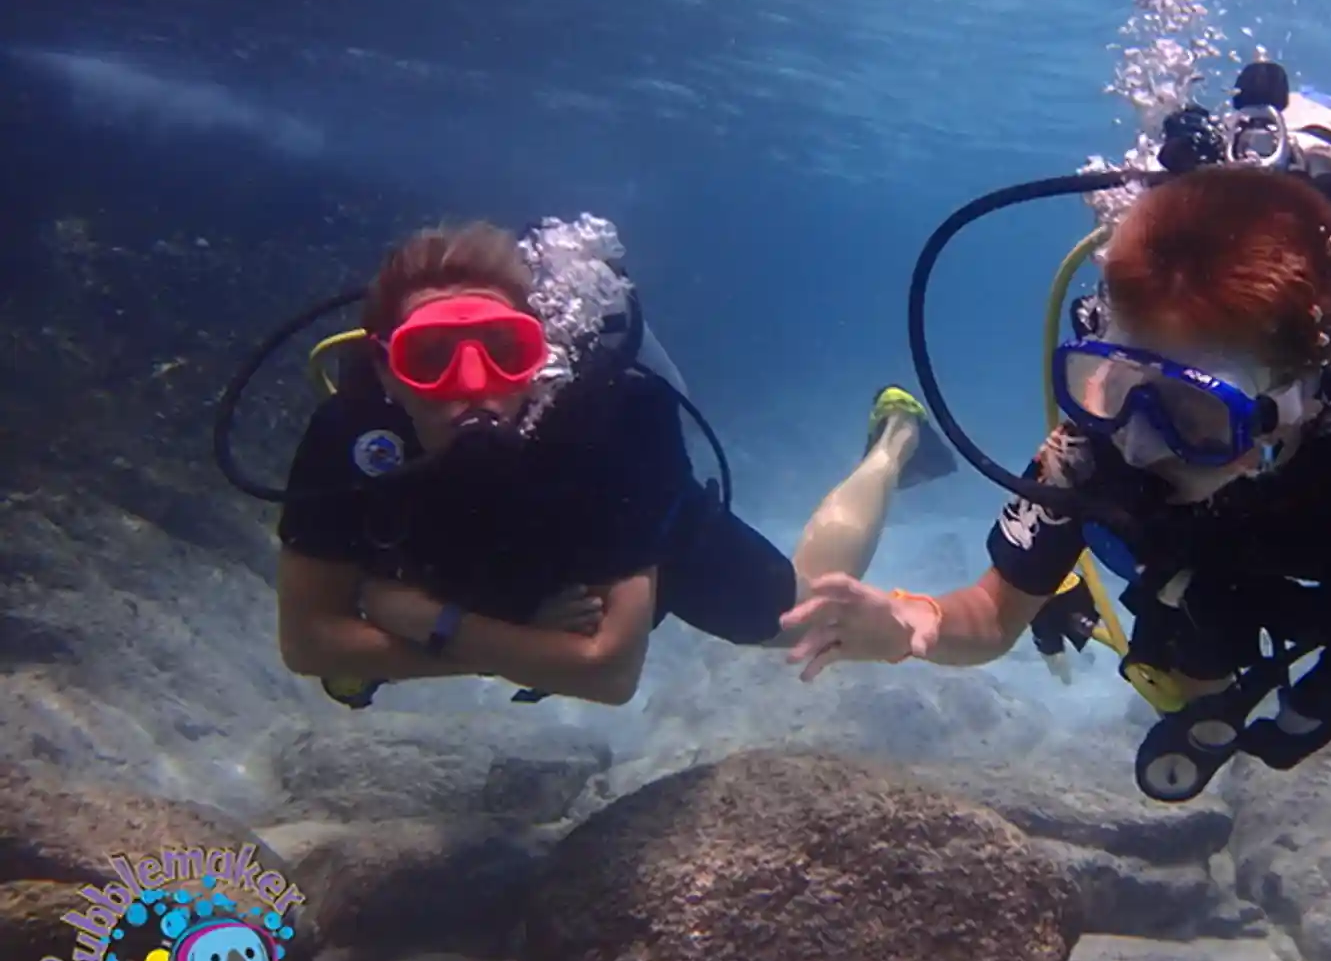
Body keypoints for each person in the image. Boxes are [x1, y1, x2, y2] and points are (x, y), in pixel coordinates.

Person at [778, 57, 1331, 810]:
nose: (1137, 443)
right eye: (1123, 378)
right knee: (1186, 644)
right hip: (1250, 557)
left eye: (1192, 413)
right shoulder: (1098, 441)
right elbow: (984, 615)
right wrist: (908, 622)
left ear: (1297, 397)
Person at [267, 217, 954, 709]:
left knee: (811, 614)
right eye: (430, 357)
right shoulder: (351, 434)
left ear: (543, 356)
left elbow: (608, 676)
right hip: (493, 580)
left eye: (504, 349)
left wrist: (433, 626)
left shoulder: (617, 421)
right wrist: (526, 638)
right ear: (386, 370)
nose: (473, 381)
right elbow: (308, 646)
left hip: (627, 534)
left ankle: (895, 443)